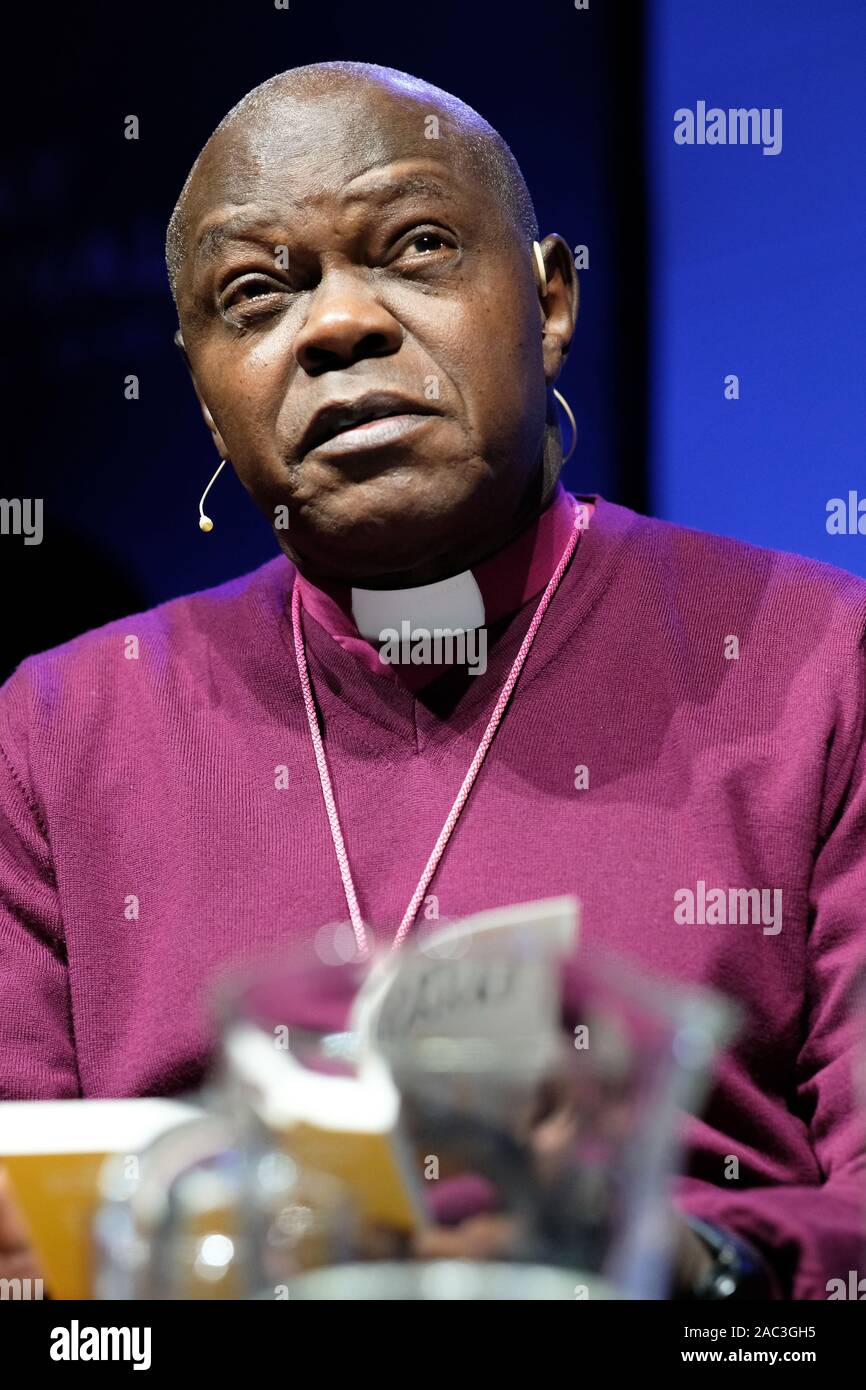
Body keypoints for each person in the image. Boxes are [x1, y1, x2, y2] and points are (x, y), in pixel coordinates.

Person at [1, 61, 865, 1299]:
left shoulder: (820, 662)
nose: (338, 323)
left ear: (549, 298)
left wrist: (691, 1260)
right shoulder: (55, 733)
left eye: (412, 247)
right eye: (255, 292)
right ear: (202, 399)